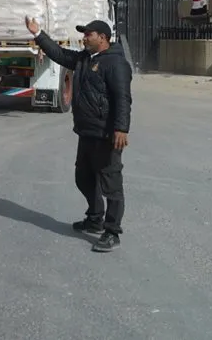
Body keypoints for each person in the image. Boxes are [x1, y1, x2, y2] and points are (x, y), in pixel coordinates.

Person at [25, 16, 132, 252]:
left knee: (111, 184)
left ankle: (112, 232)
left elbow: (123, 99)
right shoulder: (84, 59)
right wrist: (38, 34)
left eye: (88, 35)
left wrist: (121, 129)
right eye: (84, 34)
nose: (84, 38)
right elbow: (59, 54)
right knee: (83, 178)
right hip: (86, 131)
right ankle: (95, 218)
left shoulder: (116, 63)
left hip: (106, 134)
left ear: (102, 38)